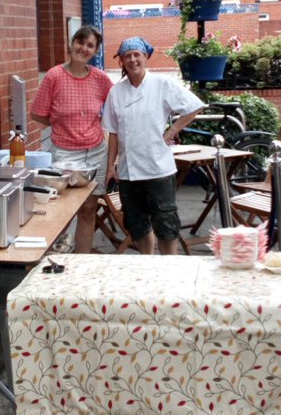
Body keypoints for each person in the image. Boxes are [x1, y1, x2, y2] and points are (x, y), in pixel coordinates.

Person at [102, 37, 206, 255]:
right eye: (127, 56)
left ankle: (168, 270)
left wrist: (173, 129)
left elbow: (194, 106)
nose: (132, 60)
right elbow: (113, 133)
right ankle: (147, 264)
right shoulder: (115, 92)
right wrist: (111, 166)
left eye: (136, 55)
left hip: (158, 168)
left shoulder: (162, 84)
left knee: (166, 225)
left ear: (145, 57)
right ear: (121, 61)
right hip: (129, 172)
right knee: (137, 225)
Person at [30, 24, 112, 253]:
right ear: (71, 43)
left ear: (95, 52)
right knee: (62, 210)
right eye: (80, 42)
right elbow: (37, 112)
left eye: (90, 45)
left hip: (95, 152)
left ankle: (81, 260)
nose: (83, 48)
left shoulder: (101, 79)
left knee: (88, 209)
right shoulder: (54, 76)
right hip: (64, 153)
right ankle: (59, 259)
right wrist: (61, 124)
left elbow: (116, 108)